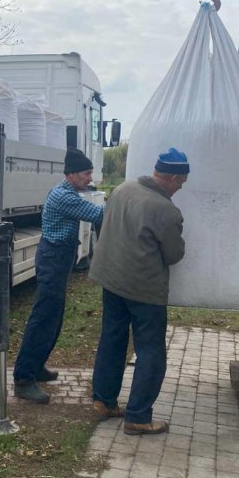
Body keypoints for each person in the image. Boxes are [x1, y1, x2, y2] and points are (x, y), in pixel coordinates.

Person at [89, 147, 189, 434]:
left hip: (112, 280)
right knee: (151, 353)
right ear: (171, 178)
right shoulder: (165, 209)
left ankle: (104, 402)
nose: (180, 189)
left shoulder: (123, 189)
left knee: (112, 341)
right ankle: (138, 416)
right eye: (180, 183)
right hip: (144, 289)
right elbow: (174, 254)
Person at [13, 148, 104, 404]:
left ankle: (37, 365)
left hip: (59, 259)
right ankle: (23, 379)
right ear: (72, 174)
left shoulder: (70, 192)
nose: (90, 177)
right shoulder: (64, 196)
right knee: (43, 318)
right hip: (53, 260)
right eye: (87, 173)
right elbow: (99, 214)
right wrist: (125, 203)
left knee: (54, 317)